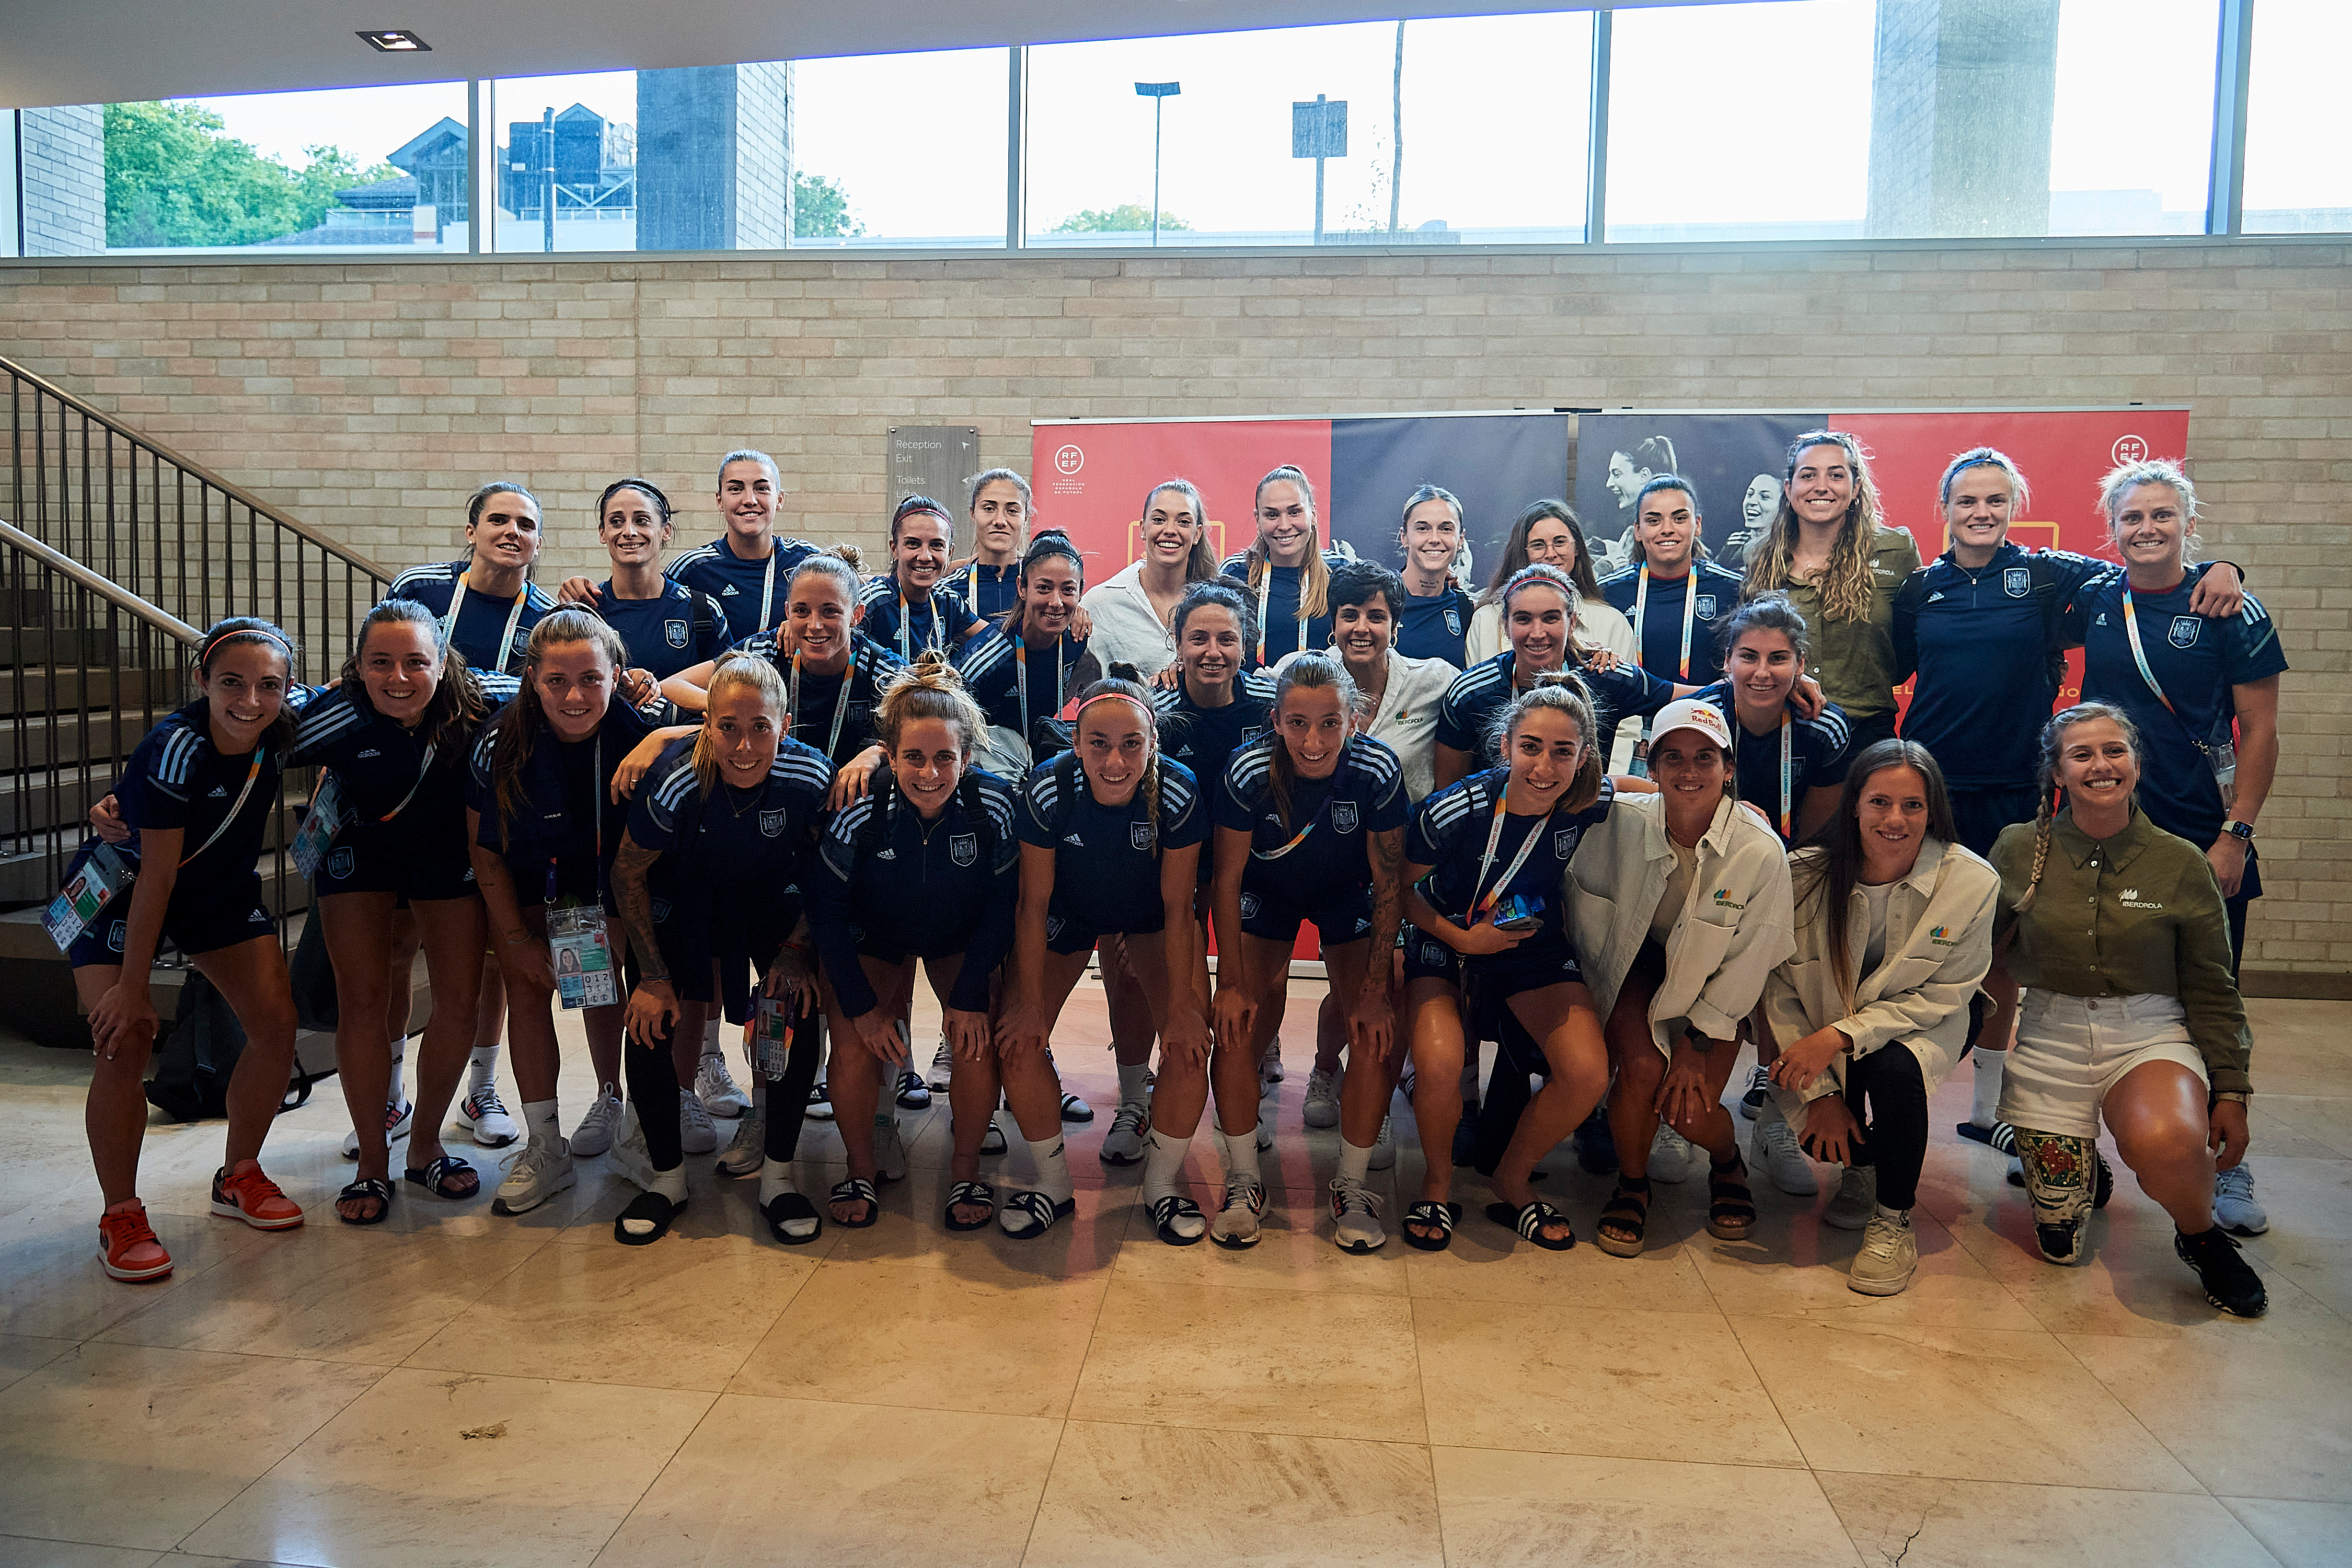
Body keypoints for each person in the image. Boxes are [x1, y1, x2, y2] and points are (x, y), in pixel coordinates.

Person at [1890, 448, 2241, 1152]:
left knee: (2006, 948)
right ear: (1945, 510)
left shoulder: (2053, 576)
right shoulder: (1917, 588)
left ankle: (1989, 1112)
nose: (1981, 513)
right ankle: (1887, 1091)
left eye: (1995, 500)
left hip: (2021, 791)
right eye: (1967, 501)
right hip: (1932, 787)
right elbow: (1894, 666)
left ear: (2013, 504)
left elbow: (2149, 570)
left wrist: (2224, 570)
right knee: (1908, 942)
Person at [1986, 704, 2265, 1317]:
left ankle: (2201, 1237)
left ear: (2137, 764)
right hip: (2050, 1032)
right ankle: (2086, 1175)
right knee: (2061, 1243)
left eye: (2114, 751)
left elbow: (2214, 986)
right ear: (2057, 773)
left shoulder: (2180, 863)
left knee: (2167, 1144)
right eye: (2081, 754)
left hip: (2146, 1031)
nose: (2101, 765)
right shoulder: (2016, 849)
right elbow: (1980, 957)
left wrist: (2231, 1090)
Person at [2068, 459, 2282, 1240]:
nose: (2148, 530)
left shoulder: (2233, 609)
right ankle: (2074, 1147)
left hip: (2203, 834)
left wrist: (2237, 835)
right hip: (2104, 831)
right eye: (2133, 518)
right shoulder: (2096, 596)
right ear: (2113, 527)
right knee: (2094, 988)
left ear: (2188, 522)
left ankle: (2228, 1164)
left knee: (2210, 995)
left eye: (2163, 516)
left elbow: (2260, 729)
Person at [71, 618, 314, 1281]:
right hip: (123, 891)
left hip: (214, 890)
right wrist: (132, 987)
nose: (250, 700)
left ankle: (239, 1175)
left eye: (268, 685)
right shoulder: (174, 747)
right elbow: (155, 878)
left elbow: (380, 691)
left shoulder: (288, 716)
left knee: (276, 1024)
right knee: (126, 1038)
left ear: (287, 689)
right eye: (231, 682)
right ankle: (119, 1214)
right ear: (201, 679)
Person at [1583, 593, 1850, 1193]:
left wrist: (1761, 859)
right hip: (1698, 862)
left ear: (1801, 664)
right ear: (1726, 661)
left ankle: (1777, 1115)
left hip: (1780, 868)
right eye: (1748, 656)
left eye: (1780, 659)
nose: (1762, 671)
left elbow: (1818, 837)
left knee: (1782, 985)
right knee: (1684, 973)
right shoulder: (1702, 710)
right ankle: (1675, 1120)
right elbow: (1650, 782)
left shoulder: (1823, 727)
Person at [292, 601, 516, 1224]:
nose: (399, 678)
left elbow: (575, 685)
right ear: (356, 668)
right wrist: (126, 802)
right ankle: (371, 1161)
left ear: (442, 662)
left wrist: (647, 705)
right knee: (362, 1000)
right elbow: (235, 735)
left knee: (457, 1002)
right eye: (380, 663)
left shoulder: (482, 701)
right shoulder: (333, 713)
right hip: (357, 853)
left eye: (416, 662)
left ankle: (425, 1147)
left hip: (446, 856)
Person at [609, 654, 833, 1244]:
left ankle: (779, 1177)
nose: (743, 745)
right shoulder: (676, 778)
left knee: (796, 1005)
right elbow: (628, 873)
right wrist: (653, 978)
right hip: (683, 898)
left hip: (771, 900)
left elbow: (826, 873)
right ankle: (666, 1179)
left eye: (761, 727)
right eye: (728, 726)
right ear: (706, 724)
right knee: (649, 1018)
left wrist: (794, 951)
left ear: (785, 727)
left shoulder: (810, 777)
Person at [1761, 741, 1999, 1295]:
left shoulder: (1972, 881)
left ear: (1933, 809)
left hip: (1928, 1021)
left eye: (1913, 805)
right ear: (1854, 805)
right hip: (1824, 1024)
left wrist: (1841, 1036)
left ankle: (1893, 1219)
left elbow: (1947, 992)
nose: (1896, 819)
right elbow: (1781, 985)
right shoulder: (1803, 876)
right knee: (1828, 1131)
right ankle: (1861, 1167)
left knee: (1892, 1070)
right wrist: (1820, 1095)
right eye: (1880, 802)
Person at [1565, 699, 1796, 1260]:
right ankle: (1633, 1183)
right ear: (1653, 766)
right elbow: (1563, 786)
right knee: (1643, 1070)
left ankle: (1726, 1160)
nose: (1689, 771)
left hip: (1716, 985)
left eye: (1704, 758)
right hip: (1639, 965)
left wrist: (1695, 1045)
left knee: (1688, 1109)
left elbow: (1749, 962)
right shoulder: (1618, 820)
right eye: (1673, 758)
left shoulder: (1760, 852)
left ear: (1729, 769)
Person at [1396, 677, 1620, 1252]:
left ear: (1583, 757)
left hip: (1527, 939)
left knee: (1587, 1073)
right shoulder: (1457, 807)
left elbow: (1639, 789)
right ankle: (1438, 1184)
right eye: (1532, 748)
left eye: (1563, 752)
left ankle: (1512, 1179)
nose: (1545, 767)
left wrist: (1725, 798)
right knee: (1442, 1065)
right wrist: (1462, 941)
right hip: (1447, 932)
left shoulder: (1585, 798)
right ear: (1505, 746)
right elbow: (1401, 890)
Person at [465, 608, 676, 1217]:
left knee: (611, 985)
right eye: (557, 681)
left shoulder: (640, 730)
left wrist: (663, 736)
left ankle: (621, 1110)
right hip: (530, 878)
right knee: (527, 988)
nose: (575, 695)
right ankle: (544, 1146)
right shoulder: (499, 742)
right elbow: (486, 859)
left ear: (618, 674)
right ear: (532, 678)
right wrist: (516, 939)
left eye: (591, 677)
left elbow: (714, 730)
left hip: (609, 882)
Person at [561, 477, 753, 1131]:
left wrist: (669, 722)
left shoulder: (699, 611)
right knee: (596, 961)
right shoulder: (581, 615)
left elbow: (732, 709)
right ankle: (608, 1096)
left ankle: (695, 1074)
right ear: (601, 532)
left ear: (667, 531)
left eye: (642, 519)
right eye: (615, 520)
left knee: (683, 952)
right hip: (589, 810)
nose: (629, 531)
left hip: (683, 807)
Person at [811, 656, 1026, 1232]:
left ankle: (964, 1169)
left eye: (945, 758)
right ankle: (860, 1167)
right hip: (875, 935)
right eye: (914, 757)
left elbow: (1005, 906)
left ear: (968, 757)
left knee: (975, 1041)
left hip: (958, 936)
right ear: (889, 752)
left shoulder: (994, 803)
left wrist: (973, 990)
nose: (929, 773)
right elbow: (827, 914)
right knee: (855, 1043)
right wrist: (861, 1007)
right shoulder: (861, 805)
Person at [1001, 667, 1213, 1239]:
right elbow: (1032, 904)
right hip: (1069, 917)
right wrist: (1023, 1005)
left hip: (1148, 918)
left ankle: (1163, 1186)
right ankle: (1052, 1186)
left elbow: (1179, 910)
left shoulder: (1178, 788)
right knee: (1018, 1044)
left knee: (1192, 1047)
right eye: (1099, 744)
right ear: (1076, 744)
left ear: (1153, 744)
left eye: (1131, 745)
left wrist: (1186, 1011)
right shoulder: (1049, 787)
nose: (1115, 762)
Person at [1207, 653, 1410, 1250]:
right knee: (1239, 1026)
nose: (1314, 740)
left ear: (1355, 720)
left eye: (1329, 723)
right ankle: (1245, 1178)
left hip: (1345, 894)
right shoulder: (1247, 772)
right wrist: (1233, 983)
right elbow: (1225, 881)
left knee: (1374, 1025)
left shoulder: (1377, 770)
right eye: (1298, 723)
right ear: (1275, 720)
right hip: (1265, 896)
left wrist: (1374, 990)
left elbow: (1390, 882)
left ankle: (1351, 1185)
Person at [384, 479, 557, 1150]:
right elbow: (376, 673)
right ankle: (393, 1096)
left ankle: (479, 1089)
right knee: (398, 949)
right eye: (498, 520)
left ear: (538, 542)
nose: (511, 532)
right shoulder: (420, 588)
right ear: (471, 530)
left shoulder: (541, 617)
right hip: (406, 800)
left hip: (488, 801)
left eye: (525, 524)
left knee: (490, 960)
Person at [1281, 562, 1457, 1134]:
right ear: (1332, 623)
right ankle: (1327, 1068)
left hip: (1402, 864)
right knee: (1350, 986)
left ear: (1395, 626)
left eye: (1376, 616)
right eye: (1350, 614)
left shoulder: (1434, 679)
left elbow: (1504, 688)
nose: (1362, 627)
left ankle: (1372, 1085)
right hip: (1330, 860)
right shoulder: (1301, 673)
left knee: (1395, 979)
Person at [1741, 430, 1921, 755]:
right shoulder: (1757, 556)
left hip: (1866, 734)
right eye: (1808, 475)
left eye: (1836, 475)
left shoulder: (1897, 551)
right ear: (1789, 489)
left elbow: (1910, 648)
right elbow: (1745, 647)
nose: (1821, 486)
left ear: (1855, 489)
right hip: (1778, 729)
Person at [1435, 564, 1627, 792]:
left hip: (1580, 821)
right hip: (1493, 824)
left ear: (1572, 622)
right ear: (1505, 625)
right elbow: (1448, 791)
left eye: (1551, 619)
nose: (1537, 633)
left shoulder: (1602, 674)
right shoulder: (1470, 694)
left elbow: (1678, 697)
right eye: (1523, 619)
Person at [1594, 475, 1749, 737]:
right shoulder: (1607, 592)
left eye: (1680, 518)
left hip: (1709, 730)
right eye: (1654, 520)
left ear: (1697, 525)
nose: (1667, 529)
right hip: (1629, 737)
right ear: (1638, 530)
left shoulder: (1734, 590)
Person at [955, 529, 1100, 779]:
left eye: (1068, 590)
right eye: (1044, 588)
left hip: (1041, 769)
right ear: (1022, 588)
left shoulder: (1076, 640)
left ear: (1081, 591)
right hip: (986, 778)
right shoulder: (987, 658)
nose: (1056, 602)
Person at [661, 449, 821, 644]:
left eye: (762, 488)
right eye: (736, 489)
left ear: (779, 499)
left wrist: (800, 625)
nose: (750, 500)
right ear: (720, 500)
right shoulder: (692, 569)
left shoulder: (809, 561)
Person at [1465, 500, 1634, 669]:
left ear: (1577, 548)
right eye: (1538, 545)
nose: (1551, 554)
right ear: (1520, 551)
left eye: (1560, 542)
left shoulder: (1612, 623)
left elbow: (1628, 692)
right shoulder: (1485, 621)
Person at [1084, 478, 1223, 679]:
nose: (1170, 530)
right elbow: (1065, 687)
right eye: (1159, 520)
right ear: (1142, 528)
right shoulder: (1101, 603)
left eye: (1183, 522)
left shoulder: (1218, 604)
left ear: (1197, 534)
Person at [1218, 465, 1346, 665]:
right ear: (1258, 520)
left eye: (1295, 512)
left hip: (1321, 695)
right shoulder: (1235, 573)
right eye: (1272, 515)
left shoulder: (1341, 572)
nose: (1285, 526)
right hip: (1251, 696)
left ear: (1312, 514)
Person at [862, 495, 983, 661]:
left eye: (937, 545)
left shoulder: (948, 601)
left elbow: (997, 642)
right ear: (895, 549)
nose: (925, 557)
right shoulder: (871, 602)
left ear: (950, 553)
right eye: (913, 544)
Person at [1393, 485, 1480, 667]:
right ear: (1404, 537)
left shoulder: (1464, 608)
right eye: (1423, 529)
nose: (1434, 539)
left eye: (1446, 529)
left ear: (1461, 539)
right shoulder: (1380, 600)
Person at [940, 468, 1036, 622]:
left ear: (1026, 518)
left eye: (1012, 511)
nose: (1000, 521)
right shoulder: (947, 589)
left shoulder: (1039, 588)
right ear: (973, 513)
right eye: (989, 509)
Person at [1726, 472, 1782, 567]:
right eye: (1750, 494)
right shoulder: (1735, 542)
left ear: (1782, 506)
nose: (1752, 502)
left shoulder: (1789, 548)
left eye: (1765, 497)